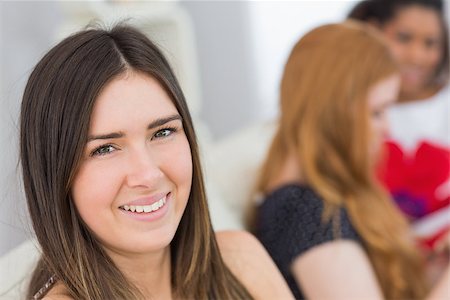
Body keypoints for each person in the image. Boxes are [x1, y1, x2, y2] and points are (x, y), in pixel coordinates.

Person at [20, 24, 293, 299]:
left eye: (163, 132)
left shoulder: (239, 261)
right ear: (54, 175)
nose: (148, 174)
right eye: (105, 149)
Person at [248, 21, 450, 300]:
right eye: (377, 112)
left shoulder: (325, 195)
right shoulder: (305, 212)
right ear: (336, 112)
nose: (387, 128)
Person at [348, 0, 449, 244]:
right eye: (404, 38)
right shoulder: (349, 109)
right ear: (372, 31)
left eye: (430, 43)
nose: (417, 56)